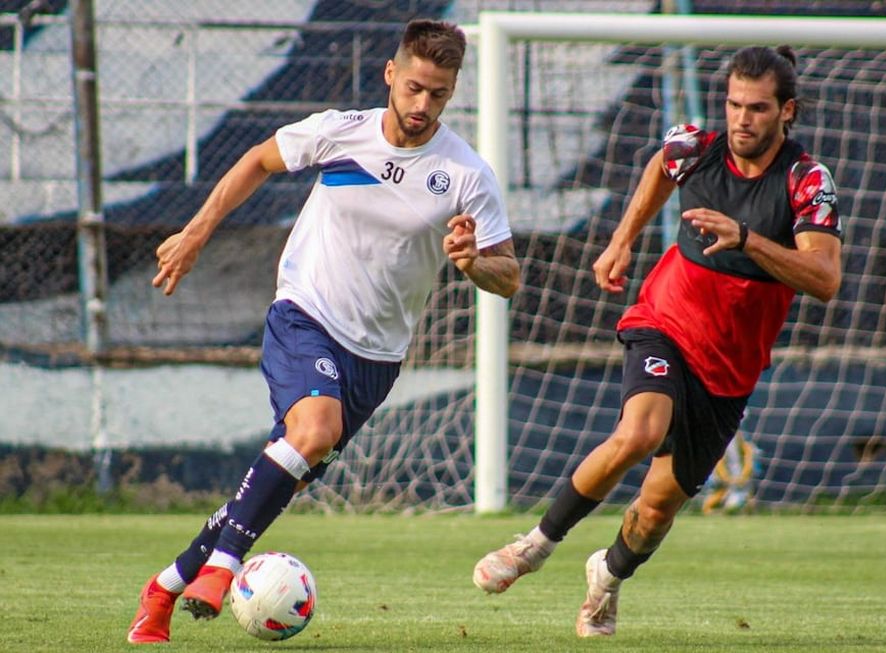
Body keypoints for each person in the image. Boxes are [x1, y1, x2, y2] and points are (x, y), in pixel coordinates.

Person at [127, 19, 519, 644]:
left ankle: (166, 588)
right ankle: (224, 568)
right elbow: (258, 159)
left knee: (287, 471)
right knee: (314, 431)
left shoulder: (466, 174)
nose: (422, 106)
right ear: (391, 75)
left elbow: (510, 277)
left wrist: (473, 263)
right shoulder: (340, 133)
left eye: (438, 94)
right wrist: (198, 233)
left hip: (377, 357)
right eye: (414, 87)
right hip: (304, 313)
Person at [473, 45, 841, 637]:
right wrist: (622, 239)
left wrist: (745, 237)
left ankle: (607, 579)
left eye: (758, 108)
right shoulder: (697, 148)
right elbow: (658, 168)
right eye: (734, 105)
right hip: (665, 323)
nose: (742, 119)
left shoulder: (806, 180)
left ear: (787, 111)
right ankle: (534, 546)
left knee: (655, 510)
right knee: (639, 431)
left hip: (728, 371)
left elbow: (824, 279)